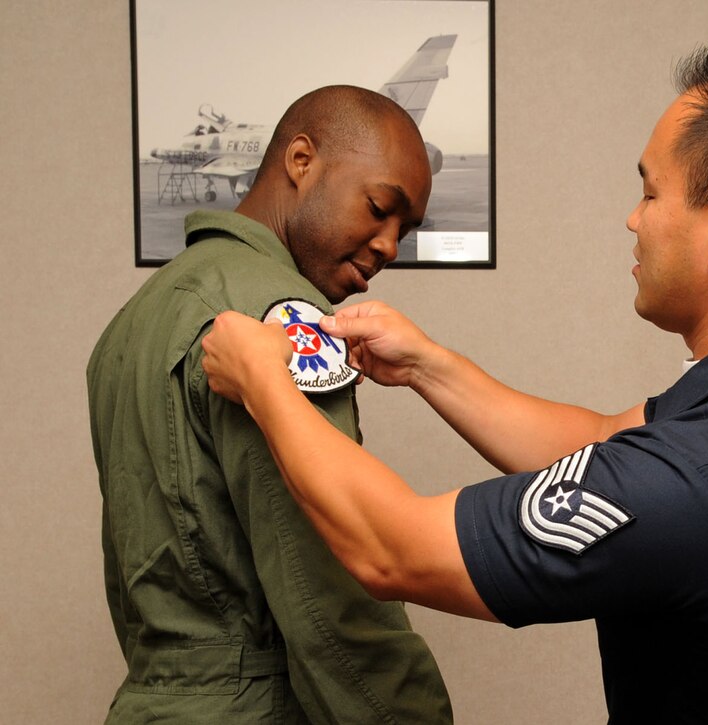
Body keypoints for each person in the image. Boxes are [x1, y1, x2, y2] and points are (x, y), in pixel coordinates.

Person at [202, 42, 708, 724]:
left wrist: (265, 380)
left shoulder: (700, 484)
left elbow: (394, 549)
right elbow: (602, 441)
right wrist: (425, 364)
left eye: (650, 191)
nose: (634, 218)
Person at [86, 86, 452, 723]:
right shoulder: (283, 323)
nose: (390, 246)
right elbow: (331, 589)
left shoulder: (133, 319)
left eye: (406, 229)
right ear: (301, 161)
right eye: (378, 208)